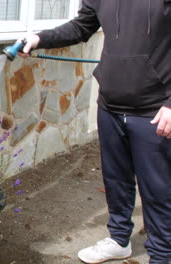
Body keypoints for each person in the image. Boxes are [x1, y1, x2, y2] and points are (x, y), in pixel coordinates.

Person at [17, 0, 171, 263]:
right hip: (110, 105)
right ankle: (119, 239)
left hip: (154, 111)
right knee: (116, 180)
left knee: (158, 189)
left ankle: (162, 255)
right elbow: (81, 27)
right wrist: (38, 38)